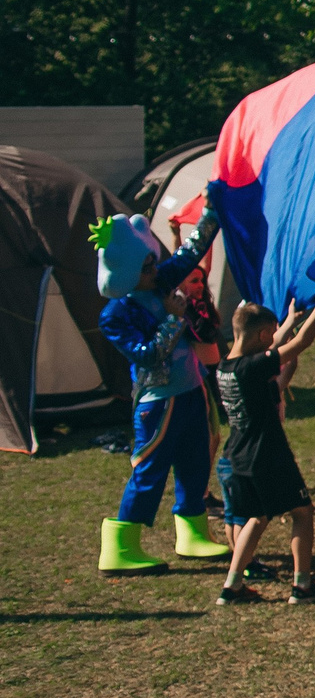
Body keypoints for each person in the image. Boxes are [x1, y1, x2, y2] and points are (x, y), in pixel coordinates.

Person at [93, 206, 228, 575]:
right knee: (149, 471)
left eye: (153, 263)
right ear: (127, 273)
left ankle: (192, 533)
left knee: (196, 463)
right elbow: (148, 356)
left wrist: (212, 210)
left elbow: (190, 252)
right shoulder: (115, 315)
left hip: (191, 390)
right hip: (158, 403)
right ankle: (120, 547)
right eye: (147, 267)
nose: (156, 270)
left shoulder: (160, 281)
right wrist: (173, 318)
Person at [212, 297, 315, 605]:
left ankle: (232, 585)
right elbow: (303, 342)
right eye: (271, 332)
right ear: (263, 335)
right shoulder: (254, 366)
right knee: (302, 513)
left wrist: (289, 320)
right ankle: (302, 585)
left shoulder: (226, 365)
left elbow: (270, 344)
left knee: (255, 517)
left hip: (238, 453)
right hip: (267, 454)